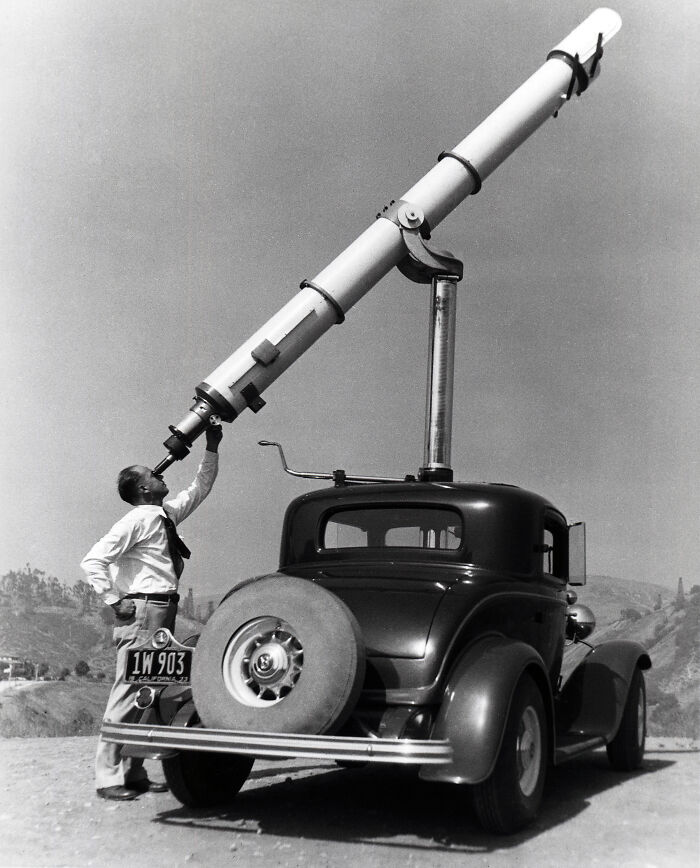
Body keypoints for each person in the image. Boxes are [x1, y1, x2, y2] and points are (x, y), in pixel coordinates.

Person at [80, 424, 223, 801]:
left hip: (163, 610)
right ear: (143, 489)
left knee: (151, 691)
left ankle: (135, 770)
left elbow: (200, 488)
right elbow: (93, 560)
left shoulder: (164, 515)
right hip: (144, 610)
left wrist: (211, 446)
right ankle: (107, 776)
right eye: (152, 474)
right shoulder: (136, 520)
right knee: (129, 690)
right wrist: (114, 600)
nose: (160, 474)